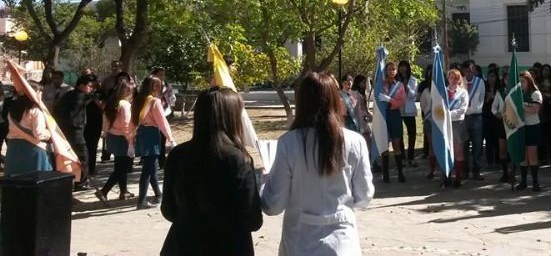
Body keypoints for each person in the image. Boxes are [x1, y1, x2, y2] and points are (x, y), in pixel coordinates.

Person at [261, 72, 373, 256]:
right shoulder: (355, 141)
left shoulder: (288, 143)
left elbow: (273, 205)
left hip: (300, 244)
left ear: (302, 102)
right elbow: (364, 196)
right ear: (335, 100)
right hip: (343, 243)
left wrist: (264, 184)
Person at [161, 88, 263, 256]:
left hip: (182, 246)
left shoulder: (177, 155)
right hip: (228, 247)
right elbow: (252, 220)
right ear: (232, 117)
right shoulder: (237, 159)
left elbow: (169, 210)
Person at [132, 75, 176, 210]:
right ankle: (141, 201)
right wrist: (171, 139)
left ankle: (158, 194)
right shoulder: (155, 101)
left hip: (142, 133)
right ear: (155, 86)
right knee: (148, 169)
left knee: (152, 166)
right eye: (161, 85)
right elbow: (162, 121)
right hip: (151, 134)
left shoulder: (139, 99)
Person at [95, 79, 135, 204]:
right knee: (123, 168)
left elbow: (105, 122)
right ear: (128, 92)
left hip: (112, 136)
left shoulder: (112, 102)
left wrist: (106, 133)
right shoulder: (125, 105)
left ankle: (124, 191)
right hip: (122, 138)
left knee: (119, 165)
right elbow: (126, 124)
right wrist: (130, 141)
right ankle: (104, 191)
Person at [55, 73, 97, 190]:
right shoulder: (78, 96)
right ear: (82, 85)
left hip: (67, 129)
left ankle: (77, 180)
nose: (91, 89)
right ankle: (82, 182)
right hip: (75, 130)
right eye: (89, 86)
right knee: (83, 155)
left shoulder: (70, 95)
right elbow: (73, 116)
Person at [5, 95, 52, 177]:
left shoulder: (12, 110)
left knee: (15, 180)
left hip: (13, 148)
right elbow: (39, 134)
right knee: (37, 179)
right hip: (33, 149)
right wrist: (50, 134)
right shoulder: (35, 110)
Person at [513, 70, 543, 191]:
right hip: (521, 126)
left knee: (532, 156)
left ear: (529, 81)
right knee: (523, 156)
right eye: (519, 82)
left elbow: (534, 110)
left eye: (523, 81)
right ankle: (523, 182)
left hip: (532, 127)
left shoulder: (535, 93)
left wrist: (520, 105)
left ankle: (535, 183)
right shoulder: (517, 94)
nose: (521, 84)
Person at [377, 62, 407, 182]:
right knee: (384, 144)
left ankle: (400, 173)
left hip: (394, 114)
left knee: (396, 143)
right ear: (386, 71)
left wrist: (390, 100)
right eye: (389, 69)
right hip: (384, 115)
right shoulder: (381, 84)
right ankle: (386, 174)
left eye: (394, 69)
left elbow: (402, 102)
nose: (391, 71)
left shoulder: (399, 85)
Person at [461, 61, 485, 180]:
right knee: (464, 145)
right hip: (464, 118)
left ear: (474, 70)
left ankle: (476, 171)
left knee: (477, 145)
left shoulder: (480, 82)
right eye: (466, 71)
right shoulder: (460, 82)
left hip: (476, 117)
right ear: (463, 71)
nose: (469, 73)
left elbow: (481, 98)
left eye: (471, 70)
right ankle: (465, 170)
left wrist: (475, 108)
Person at [445, 69, 469, 187]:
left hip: (458, 124)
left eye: (456, 78)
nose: (453, 80)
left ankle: (458, 177)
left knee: (458, 151)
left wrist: (448, 114)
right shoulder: (443, 92)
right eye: (451, 77)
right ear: (448, 79)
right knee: (447, 150)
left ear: (459, 80)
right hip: (445, 124)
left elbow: (463, 109)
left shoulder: (463, 93)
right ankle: (447, 176)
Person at [397, 61, 418, 167]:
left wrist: (407, 87)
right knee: (399, 135)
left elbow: (413, 95)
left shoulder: (413, 80)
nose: (402, 69)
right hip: (398, 110)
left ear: (408, 68)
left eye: (404, 67)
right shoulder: (396, 80)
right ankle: (402, 158)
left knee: (412, 134)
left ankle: (411, 157)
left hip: (409, 111)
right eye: (401, 67)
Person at [417, 66, 436, 179]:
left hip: (441, 122)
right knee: (432, 146)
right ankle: (432, 169)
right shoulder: (426, 91)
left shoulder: (444, 90)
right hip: (429, 120)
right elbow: (423, 105)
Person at [482, 69, 500, 169]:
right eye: (490, 76)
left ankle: (498, 160)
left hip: (497, 117)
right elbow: (481, 103)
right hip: (487, 117)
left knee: (497, 140)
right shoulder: (484, 88)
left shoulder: (499, 88)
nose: (491, 78)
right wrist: (488, 98)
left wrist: (494, 96)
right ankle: (489, 161)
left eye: (493, 76)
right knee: (488, 140)